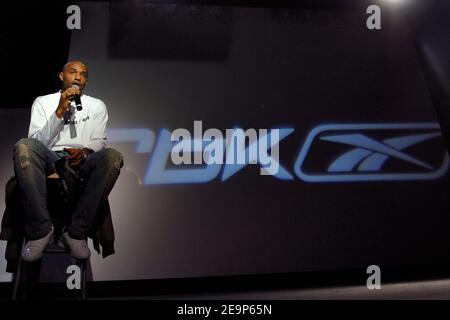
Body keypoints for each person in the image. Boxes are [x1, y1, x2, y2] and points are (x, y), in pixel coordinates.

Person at [13, 60, 123, 261]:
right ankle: (40, 231)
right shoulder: (43, 102)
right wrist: (59, 110)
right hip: (51, 156)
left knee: (113, 158)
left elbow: (99, 140)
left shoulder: (96, 105)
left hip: (82, 157)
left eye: (83, 74)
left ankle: (75, 233)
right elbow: (35, 142)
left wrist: (85, 152)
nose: (78, 77)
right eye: (73, 72)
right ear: (62, 76)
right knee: (24, 146)